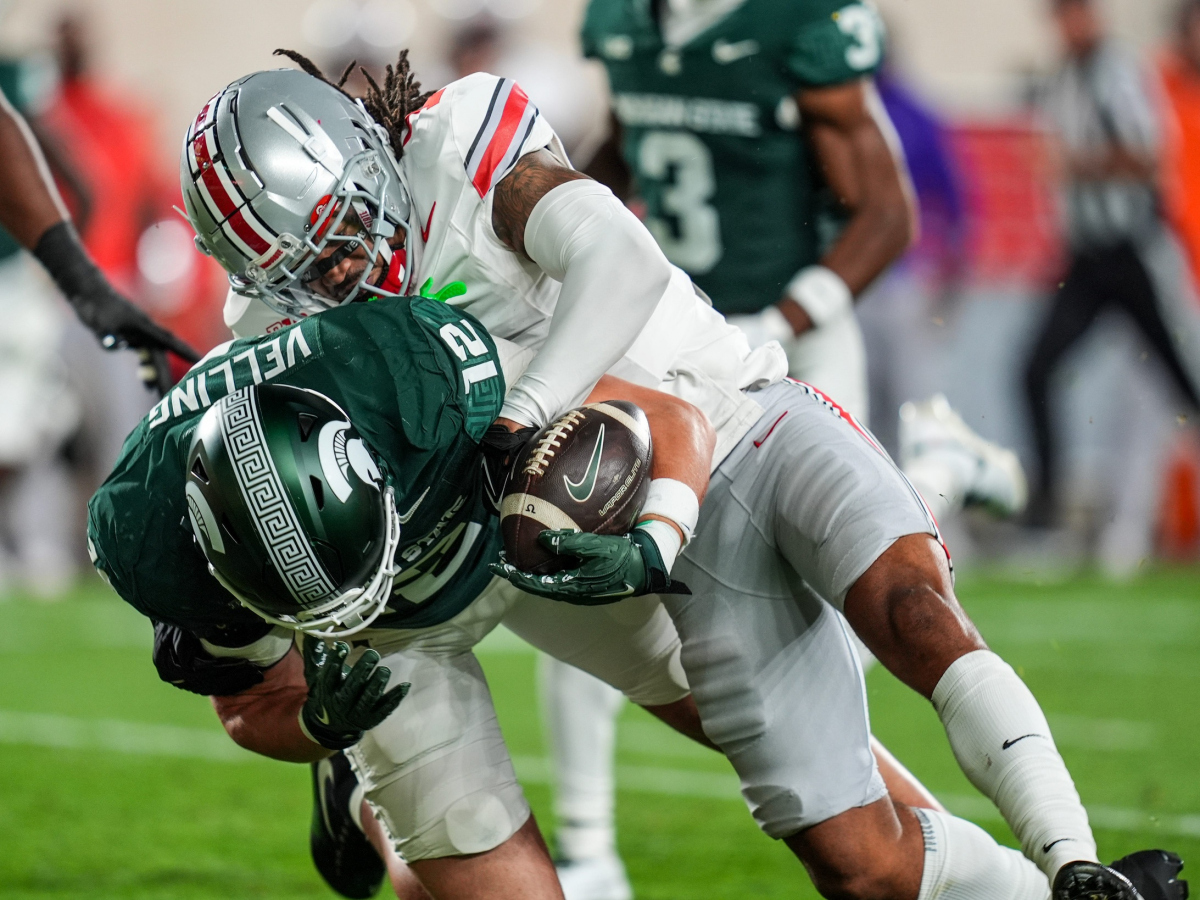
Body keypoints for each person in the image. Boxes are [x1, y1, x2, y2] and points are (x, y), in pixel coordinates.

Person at [141, 59, 1184, 900]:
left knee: (879, 714)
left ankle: (1068, 876)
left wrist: (524, 412)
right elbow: (252, 643)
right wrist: (308, 684)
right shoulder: (268, 343)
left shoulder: (462, 145)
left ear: (371, 157)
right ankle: (373, 795)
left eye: (338, 240)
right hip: (487, 559)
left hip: (650, 449)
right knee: (838, 839)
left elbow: (625, 277)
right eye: (298, 272)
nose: (336, 280)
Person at [1023, 0, 1200, 528]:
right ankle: (1048, 512)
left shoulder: (1118, 71)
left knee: (1184, 384)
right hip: (1088, 259)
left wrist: (1077, 166)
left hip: (1135, 253)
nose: (1066, 27)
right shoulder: (1064, 79)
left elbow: (1147, 155)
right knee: (1034, 371)